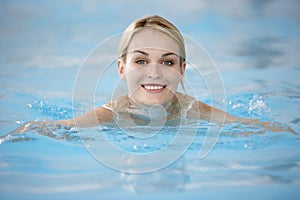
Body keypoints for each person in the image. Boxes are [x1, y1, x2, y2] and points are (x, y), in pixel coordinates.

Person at [14, 15, 295, 134]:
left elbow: (252, 127)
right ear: (122, 69)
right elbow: (57, 128)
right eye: (140, 60)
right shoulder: (112, 114)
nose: (155, 73)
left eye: (168, 63)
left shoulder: (191, 110)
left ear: (182, 71)